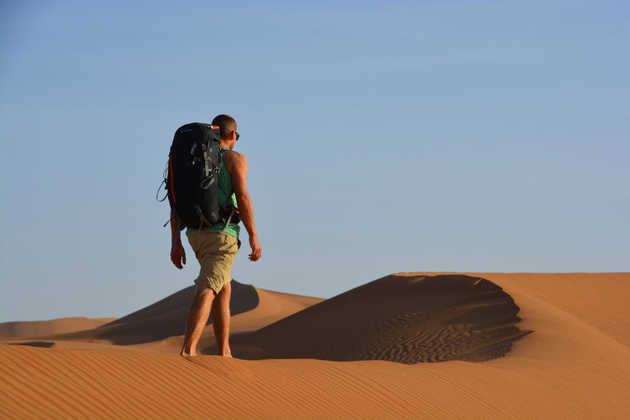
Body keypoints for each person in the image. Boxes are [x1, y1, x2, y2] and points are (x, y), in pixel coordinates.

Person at [169, 114, 262, 357]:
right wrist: (253, 235)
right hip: (223, 236)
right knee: (209, 287)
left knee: (224, 288)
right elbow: (242, 196)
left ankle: (224, 351)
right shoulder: (235, 159)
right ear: (232, 135)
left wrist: (175, 242)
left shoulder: (195, 161)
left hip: (195, 235)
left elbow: (175, 201)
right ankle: (188, 349)